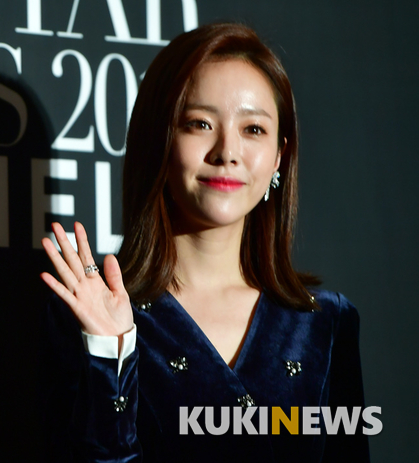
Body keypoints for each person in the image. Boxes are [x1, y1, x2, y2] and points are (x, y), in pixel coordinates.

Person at [39, 22, 369, 462]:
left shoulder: (324, 323)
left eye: (253, 129)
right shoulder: (90, 313)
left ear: (279, 156)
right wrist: (110, 354)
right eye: (199, 123)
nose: (227, 150)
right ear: (161, 140)